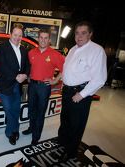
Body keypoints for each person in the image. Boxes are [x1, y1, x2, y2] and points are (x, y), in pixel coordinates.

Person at [58, 21, 107, 161]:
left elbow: (100, 78)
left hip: (80, 93)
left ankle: (71, 151)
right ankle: (63, 142)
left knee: (76, 124)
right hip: (67, 91)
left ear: (90, 34)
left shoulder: (97, 51)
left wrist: (81, 95)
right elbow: (67, 70)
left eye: (83, 33)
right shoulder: (73, 49)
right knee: (65, 120)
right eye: (77, 33)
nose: (79, 36)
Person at [22, 28, 65, 145]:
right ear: (38, 38)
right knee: (31, 110)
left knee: (40, 112)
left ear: (49, 40)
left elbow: (65, 68)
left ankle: (36, 136)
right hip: (32, 86)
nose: (43, 40)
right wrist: (29, 75)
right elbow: (29, 67)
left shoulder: (55, 54)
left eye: (46, 38)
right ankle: (31, 128)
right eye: (41, 37)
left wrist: (55, 80)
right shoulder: (31, 52)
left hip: (44, 88)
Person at [0, 24, 29, 145]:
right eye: (15, 35)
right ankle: (10, 133)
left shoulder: (24, 50)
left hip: (17, 86)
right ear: (10, 34)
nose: (17, 37)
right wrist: (15, 76)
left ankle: (15, 130)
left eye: (20, 35)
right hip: (4, 85)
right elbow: (1, 67)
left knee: (15, 109)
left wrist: (25, 75)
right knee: (9, 109)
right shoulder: (2, 47)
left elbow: (27, 67)